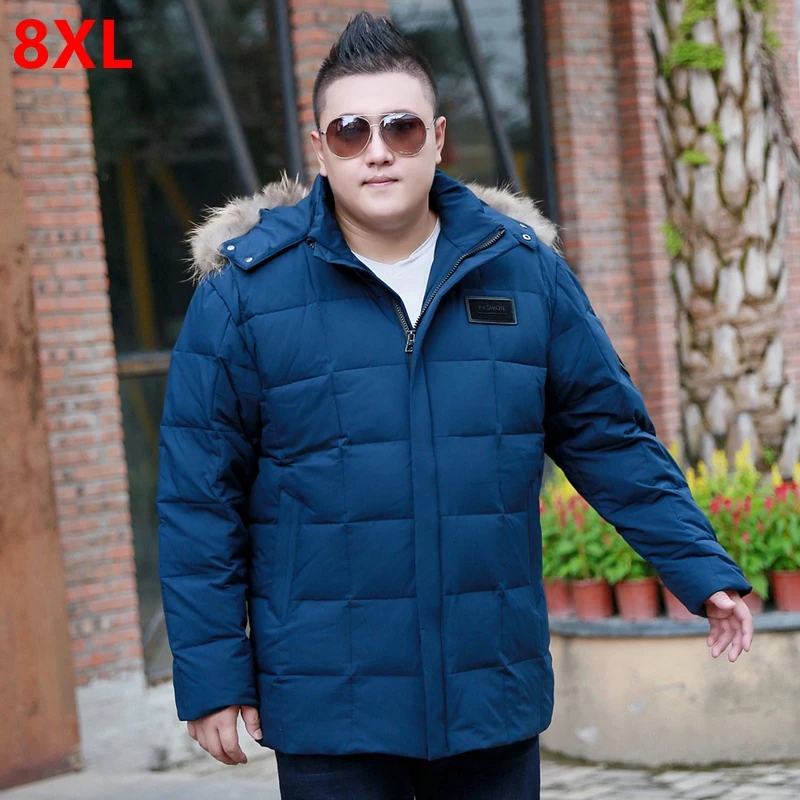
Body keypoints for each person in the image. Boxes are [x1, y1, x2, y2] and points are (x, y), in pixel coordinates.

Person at [156, 11, 754, 799]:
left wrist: (699, 567)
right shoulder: (245, 295)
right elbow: (199, 498)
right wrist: (211, 676)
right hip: (329, 703)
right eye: (351, 132)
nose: (377, 150)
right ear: (320, 149)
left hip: (488, 692)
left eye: (401, 128)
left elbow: (609, 437)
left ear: (437, 139)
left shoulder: (523, 273)